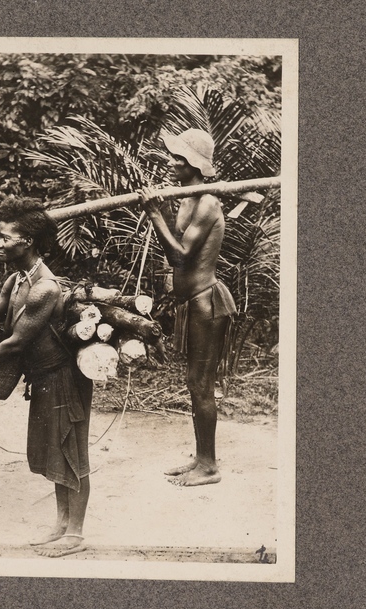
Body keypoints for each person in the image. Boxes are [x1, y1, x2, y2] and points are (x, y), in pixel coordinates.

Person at [0, 198, 92, 557]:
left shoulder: (45, 288)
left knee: (72, 450)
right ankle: (61, 524)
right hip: (43, 377)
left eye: (5, 238)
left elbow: (15, 343)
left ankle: (75, 534)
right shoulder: (15, 280)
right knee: (55, 453)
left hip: (64, 376)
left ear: (27, 241)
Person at [139, 128, 236, 486]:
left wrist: (153, 214)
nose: (170, 163)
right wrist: (160, 207)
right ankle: (201, 458)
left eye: (178, 159)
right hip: (192, 304)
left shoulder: (208, 201)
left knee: (201, 384)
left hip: (208, 303)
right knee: (194, 383)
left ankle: (209, 467)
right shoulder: (185, 198)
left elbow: (180, 257)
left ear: (193, 164)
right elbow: (176, 241)